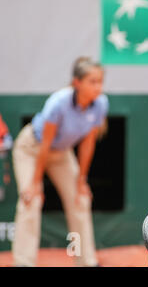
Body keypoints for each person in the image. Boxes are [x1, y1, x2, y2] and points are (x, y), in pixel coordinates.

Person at [11, 57, 109, 267]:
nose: (98, 87)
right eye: (92, 81)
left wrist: (81, 180)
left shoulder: (101, 103)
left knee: (80, 199)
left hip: (62, 153)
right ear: (77, 83)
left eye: (100, 81)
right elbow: (44, 145)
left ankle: (86, 262)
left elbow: (87, 144)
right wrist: (36, 183)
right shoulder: (58, 102)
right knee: (31, 200)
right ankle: (23, 263)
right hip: (32, 149)